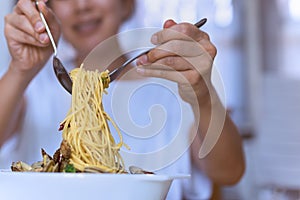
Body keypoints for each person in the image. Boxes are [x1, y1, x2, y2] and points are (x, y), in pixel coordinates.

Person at [0, 0, 245, 199]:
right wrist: (20, 70)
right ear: (48, 9)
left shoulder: (174, 85)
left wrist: (202, 93)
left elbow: (230, 172)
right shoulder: (32, 85)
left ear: (126, 4)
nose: (82, 5)